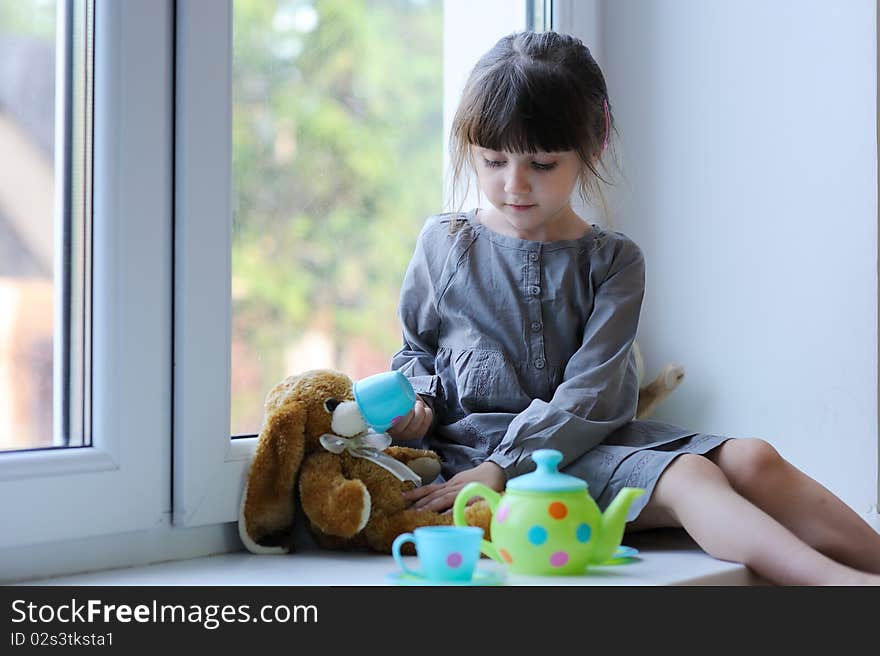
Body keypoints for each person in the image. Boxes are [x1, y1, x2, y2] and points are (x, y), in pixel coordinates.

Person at [387, 31, 880, 585]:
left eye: (542, 164)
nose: (513, 185)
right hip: (478, 460)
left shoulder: (614, 261)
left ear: (591, 146)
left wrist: (509, 459)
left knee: (754, 457)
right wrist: (420, 405)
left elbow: (593, 393)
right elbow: (416, 352)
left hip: (580, 441)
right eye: (493, 160)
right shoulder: (445, 245)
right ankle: (847, 590)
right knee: (691, 476)